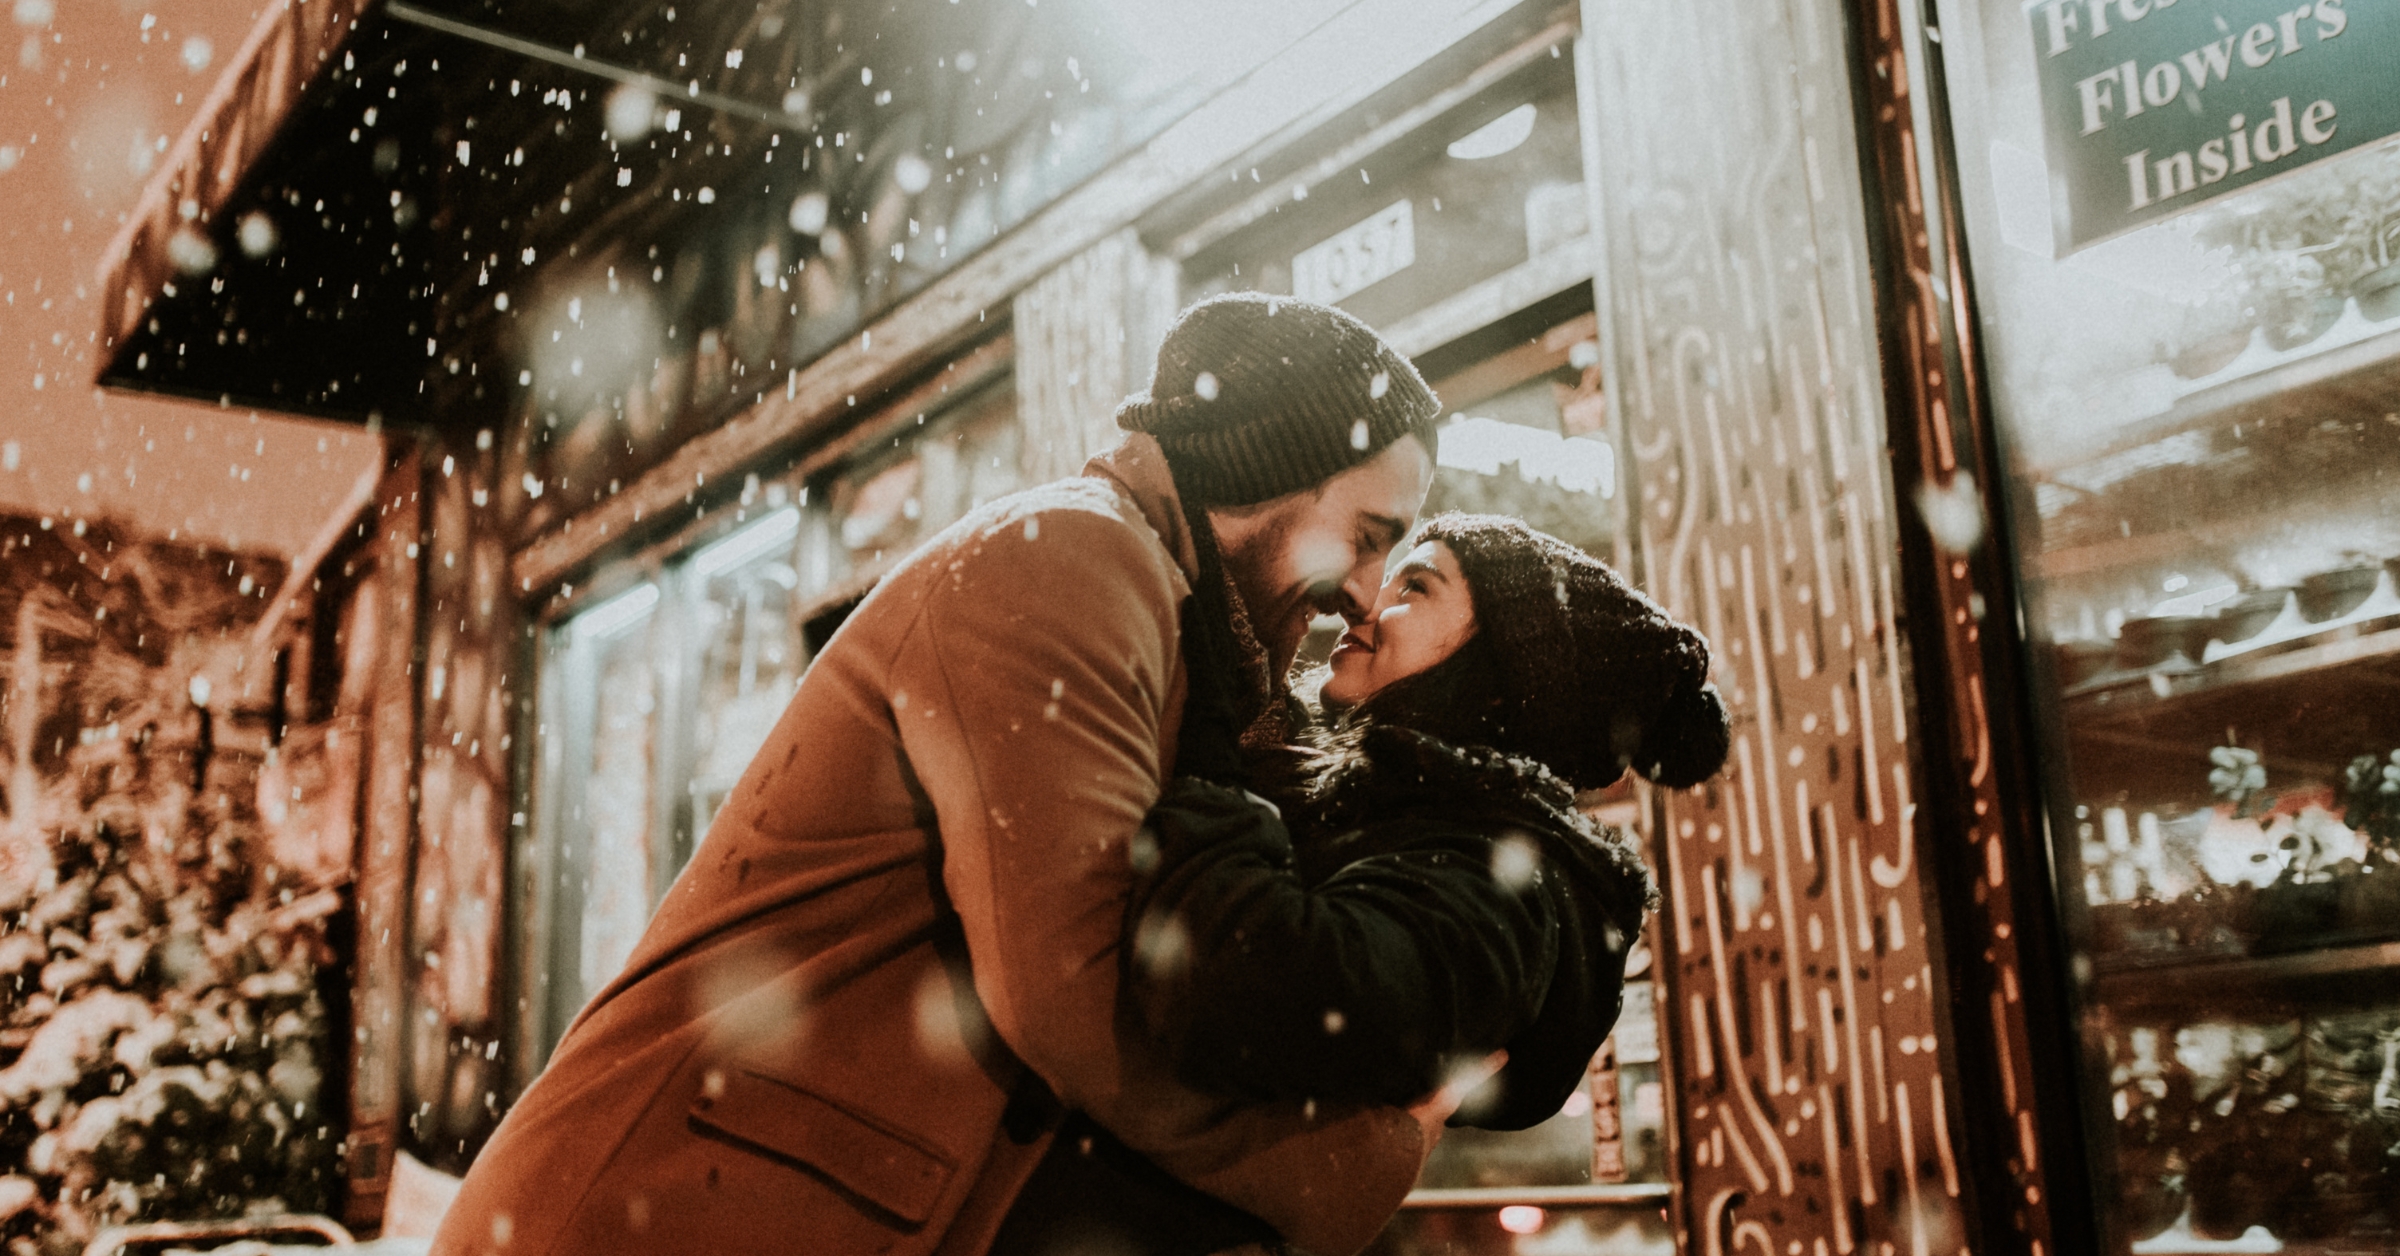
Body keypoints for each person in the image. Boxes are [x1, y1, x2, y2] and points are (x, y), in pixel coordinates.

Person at [431, 293, 1451, 1256]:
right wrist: (1352, 1160)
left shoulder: (1178, 627)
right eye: (1369, 537)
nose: (1365, 596)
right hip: (650, 1211)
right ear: (1276, 466)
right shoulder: (1071, 562)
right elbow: (1071, 993)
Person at [1124, 514, 1729, 1173]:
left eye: (1414, 588)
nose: (1364, 602)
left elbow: (1263, 993)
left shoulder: (1507, 880)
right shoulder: (1381, 812)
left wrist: (1208, 762)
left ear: (1498, 674)